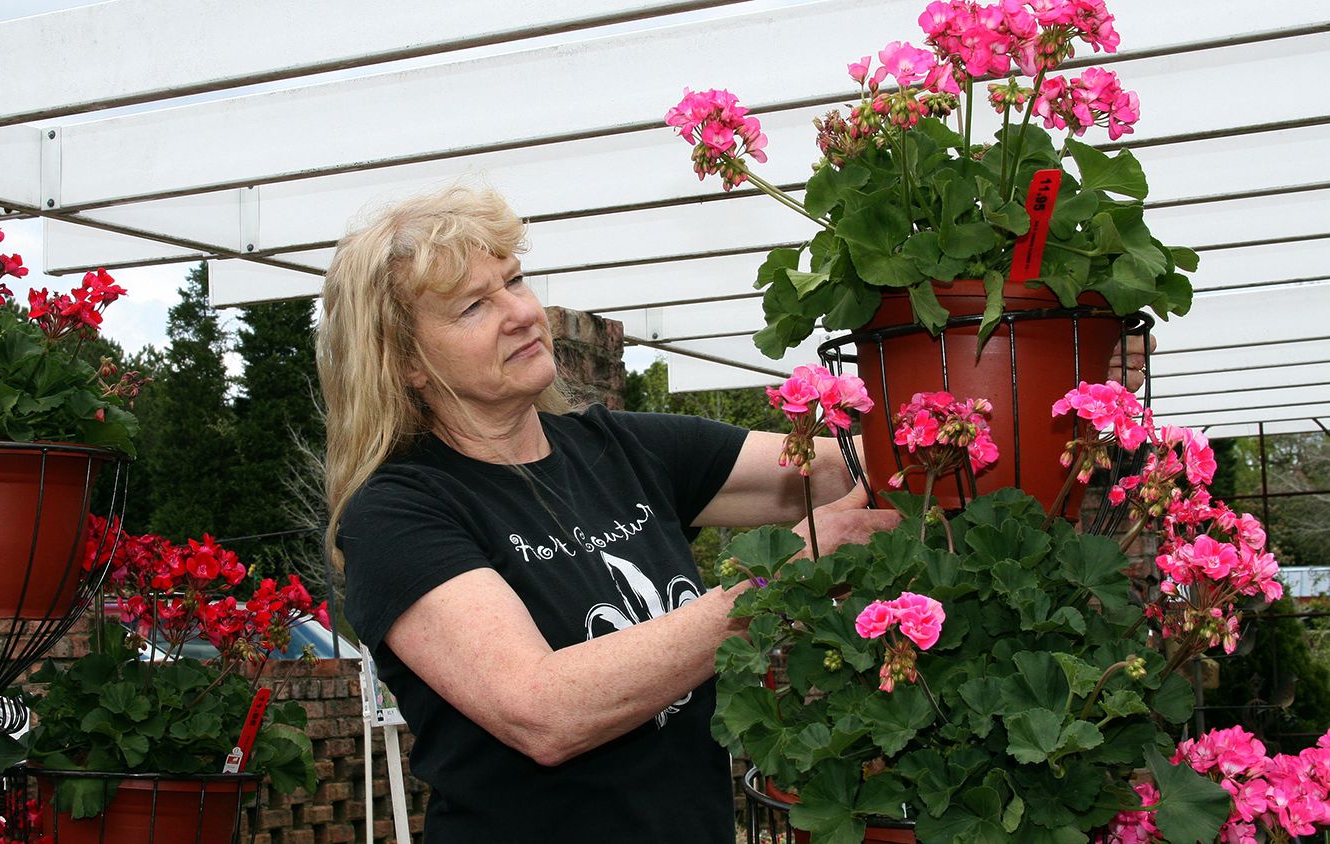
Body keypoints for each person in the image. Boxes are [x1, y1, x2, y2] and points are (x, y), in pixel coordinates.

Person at [318, 185, 1150, 843]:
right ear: (408, 366)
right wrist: (776, 578)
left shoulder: (622, 450)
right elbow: (544, 709)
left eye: (515, 279)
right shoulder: (399, 511)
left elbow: (855, 471)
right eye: (472, 306)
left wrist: (1033, 398)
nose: (522, 312)